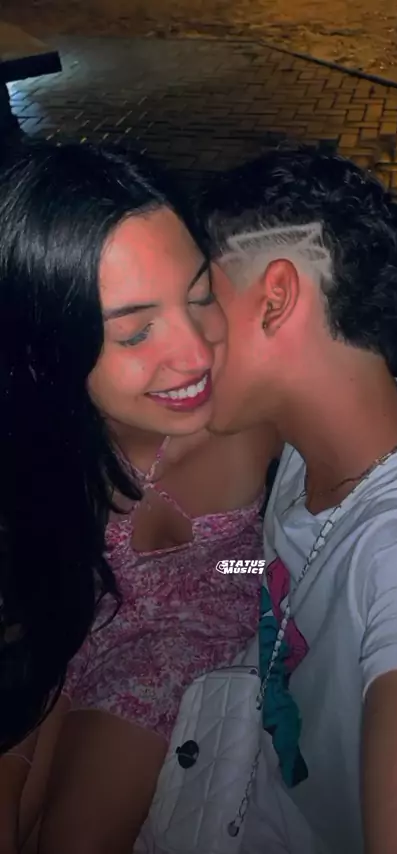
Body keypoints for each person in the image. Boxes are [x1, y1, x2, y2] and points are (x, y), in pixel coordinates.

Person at [0, 140, 279, 854]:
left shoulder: (259, 407)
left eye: (200, 296)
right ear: (50, 347)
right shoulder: (39, 438)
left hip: (171, 649)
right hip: (58, 628)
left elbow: (291, 555)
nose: (196, 353)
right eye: (136, 331)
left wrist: (242, 569)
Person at [199, 145, 397, 854]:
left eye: (201, 299)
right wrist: (218, 570)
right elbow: (282, 572)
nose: (183, 336)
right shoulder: (321, 435)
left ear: (275, 298)